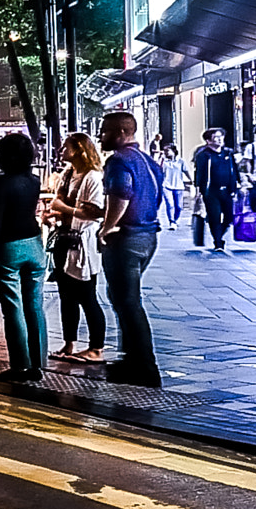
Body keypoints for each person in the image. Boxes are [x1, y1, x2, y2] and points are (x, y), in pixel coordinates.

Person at [99, 111, 166, 386]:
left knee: (127, 302)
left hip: (126, 237)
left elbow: (121, 196)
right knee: (124, 299)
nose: (101, 136)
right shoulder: (148, 161)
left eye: (105, 131)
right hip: (148, 235)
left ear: (121, 132)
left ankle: (144, 366)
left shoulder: (119, 161)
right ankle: (130, 360)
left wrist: (106, 228)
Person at [0, 133, 48, 383]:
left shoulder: (2, 184)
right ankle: (39, 364)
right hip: (34, 245)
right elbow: (1, 181)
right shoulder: (33, 180)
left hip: (8, 248)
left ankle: (20, 365)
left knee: (13, 307)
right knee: (35, 305)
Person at [45, 133, 107, 363]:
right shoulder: (67, 174)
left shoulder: (92, 177)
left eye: (66, 147)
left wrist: (62, 207)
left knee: (87, 295)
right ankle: (68, 343)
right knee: (66, 296)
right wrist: (54, 214)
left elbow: (92, 212)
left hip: (83, 241)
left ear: (79, 150)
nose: (61, 151)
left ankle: (96, 348)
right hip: (65, 238)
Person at [191, 128, 240, 251]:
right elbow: (199, 173)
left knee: (229, 216)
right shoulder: (203, 155)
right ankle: (218, 242)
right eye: (216, 137)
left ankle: (220, 234)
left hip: (228, 190)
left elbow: (234, 170)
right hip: (211, 191)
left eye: (221, 137)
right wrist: (198, 190)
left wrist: (239, 184)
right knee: (215, 216)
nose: (220, 139)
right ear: (208, 141)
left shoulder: (228, 153)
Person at [159, 142, 185, 229]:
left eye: (167, 151)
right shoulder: (164, 161)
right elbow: (159, 170)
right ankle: (172, 221)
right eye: (164, 151)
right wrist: (161, 159)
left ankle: (176, 219)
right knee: (170, 204)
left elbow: (186, 171)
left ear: (174, 151)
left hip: (179, 186)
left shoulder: (181, 161)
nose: (165, 152)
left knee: (179, 206)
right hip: (166, 186)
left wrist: (192, 182)